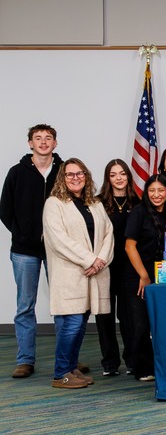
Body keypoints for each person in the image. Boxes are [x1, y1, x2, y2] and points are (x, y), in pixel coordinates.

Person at [42, 159, 112, 389]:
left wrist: (100, 261)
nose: (75, 178)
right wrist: (91, 259)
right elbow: (59, 240)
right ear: (62, 177)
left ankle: (71, 369)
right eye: (70, 174)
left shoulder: (94, 203)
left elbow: (108, 234)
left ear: (86, 175)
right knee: (70, 325)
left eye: (79, 173)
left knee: (80, 324)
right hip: (70, 274)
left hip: (92, 274)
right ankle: (60, 374)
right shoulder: (54, 204)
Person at [1, 124, 63, 379]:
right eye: (38, 138)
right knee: (25, 305)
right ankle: (25, 359)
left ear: (55, 143)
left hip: (58, 250)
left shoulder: (63, 172)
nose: (43, 142)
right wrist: (23, 233)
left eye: (48, 138)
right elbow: (5, 210)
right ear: (30, 144)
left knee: (62, 305)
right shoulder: (17, 172)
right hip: (25, 251)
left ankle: (67, 357)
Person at [94, 159, 139, 377]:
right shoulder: (97, 203)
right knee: (104, 315)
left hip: (129, 267)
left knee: (128, 316)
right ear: (107, 178)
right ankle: (109, 362)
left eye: (122, 174)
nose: (118, 178)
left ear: (128, 177)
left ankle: (131, 359)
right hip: (104, 266)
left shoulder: (138, 201)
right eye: (113, 175)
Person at [123, 174, 166, 382]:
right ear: (146, 193)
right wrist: (143, 275)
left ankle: (160, 364)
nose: (156, 195)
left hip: (164, 277)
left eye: (161, 190)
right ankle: (142, 368)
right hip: (139, 275)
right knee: (140, 324)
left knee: (161, 323)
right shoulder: (139, 213)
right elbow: (129, 246)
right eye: (152, 191)